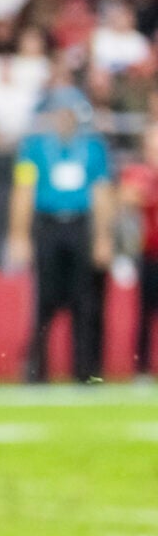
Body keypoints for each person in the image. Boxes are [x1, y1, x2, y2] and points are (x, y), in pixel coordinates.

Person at [8, 85, 115, 383]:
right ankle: (35, 372)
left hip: (80, 225)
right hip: (48, 226)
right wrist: (18, 234)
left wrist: (104, 237)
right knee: (44, 302)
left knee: (85, 302)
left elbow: (102, 192)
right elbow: (23, 191)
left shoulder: (93, 148)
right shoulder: (34, 147)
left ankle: (86, 373)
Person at [123, 114, 158, 382]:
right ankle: (141, 368)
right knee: (145, 312)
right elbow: (128, 197)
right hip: (148, 253)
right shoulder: (137, 172)